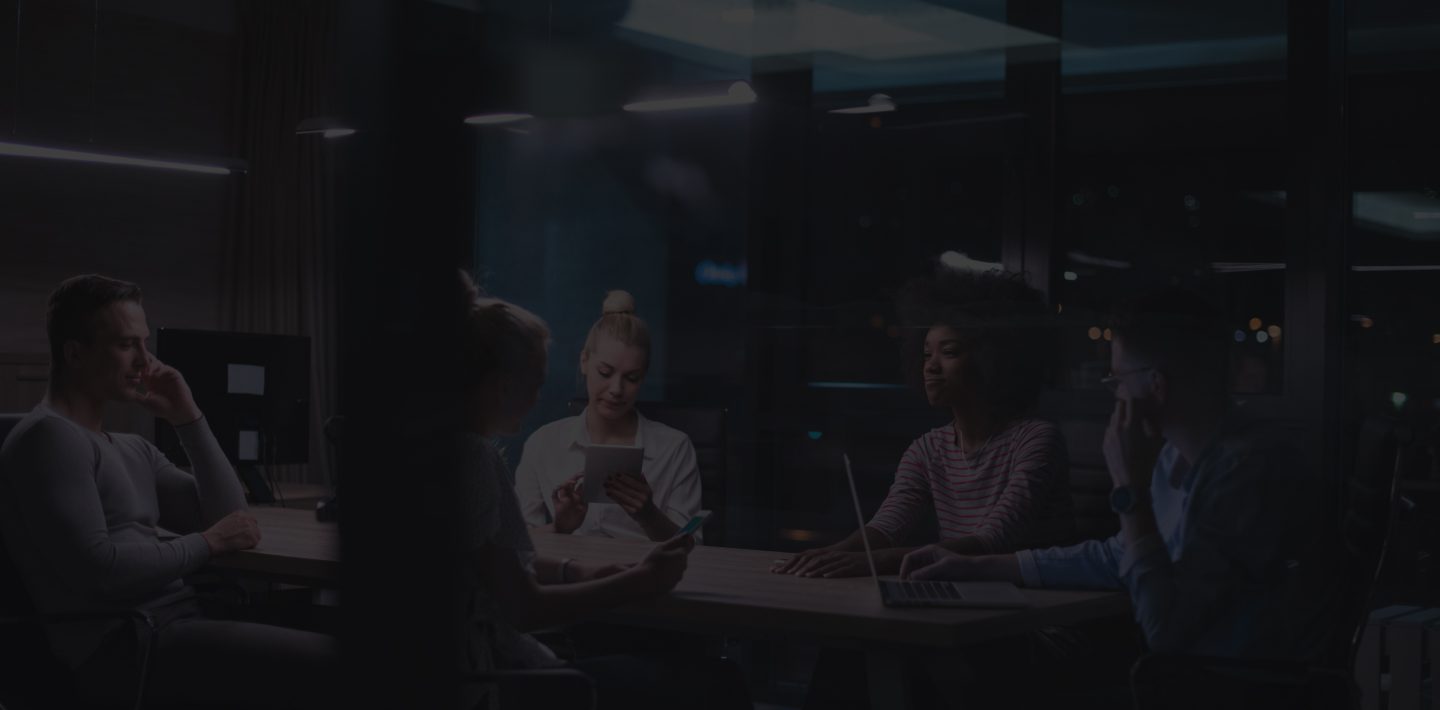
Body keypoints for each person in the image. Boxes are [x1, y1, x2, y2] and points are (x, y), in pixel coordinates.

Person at [902, 287, 1337, 663]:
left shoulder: (1247, 472)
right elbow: (1118, 555)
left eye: (1118, 379)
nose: (1116, 393)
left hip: (1229, 690)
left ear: (1156, 386)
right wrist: (981, 567)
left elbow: (1165, 632)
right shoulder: (1174, 457)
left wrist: (1130, 490)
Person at [0, 274, 337, 709]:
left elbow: (233, 516)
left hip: (177, 623)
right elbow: (98, 572)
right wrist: (208, 543)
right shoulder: (49, 438)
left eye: (144, 343)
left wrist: (189, 417)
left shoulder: (131, 446)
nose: (145, 360)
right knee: (341, 667)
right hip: (129, 646)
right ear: (75, 353)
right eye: (127, 345)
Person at [452, 273, 750, 710]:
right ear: (502, 384)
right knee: (721, 683)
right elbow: (523, 606)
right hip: (501, 681)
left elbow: (499, 563)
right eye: (536, 384)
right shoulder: (480, 460)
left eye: (631, 377)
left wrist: (577, 569)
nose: (538, 399)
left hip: (483, 666)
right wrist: (637, 581)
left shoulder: (437, 453)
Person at [773, 269, 1073, 578]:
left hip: (1037, 608)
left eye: (949, 352)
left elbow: (993, 541)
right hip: (969, 596)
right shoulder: (928, 448)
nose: (930, 365)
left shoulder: (1036, 440)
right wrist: (828, 555)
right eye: (926, 352)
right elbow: (887, 526)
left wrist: (874, 561)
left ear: (994, 358)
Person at [515, 291, 702, 543]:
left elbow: (693, 546)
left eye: (631, 378)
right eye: (605, 372)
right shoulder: (543, 444)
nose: (616, 389)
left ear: (643, 377)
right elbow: (519, 541)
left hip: (646, 576)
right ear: (584, 362)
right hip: (569, 575)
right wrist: (560, 527)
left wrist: (649, 515)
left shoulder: (674, 448)